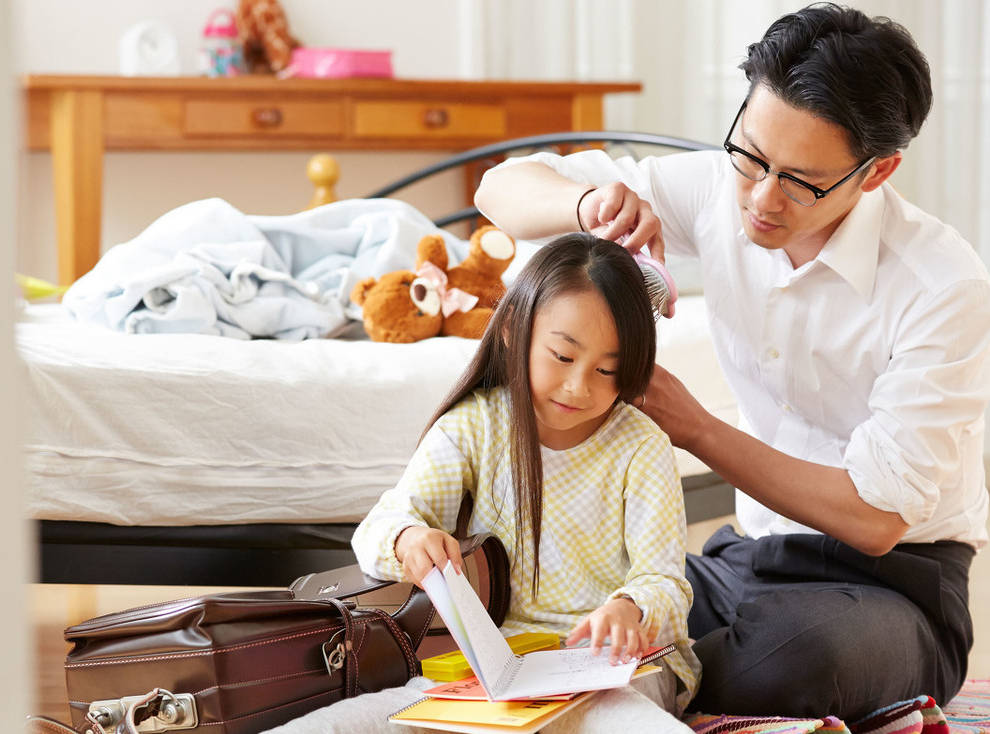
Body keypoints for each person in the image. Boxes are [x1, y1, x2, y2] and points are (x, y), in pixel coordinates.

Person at [473, 1, 990, 723]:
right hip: (748, 560)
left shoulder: (942, 284)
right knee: (558, 597)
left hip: (896, 588)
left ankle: (628, 676)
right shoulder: (723, 189)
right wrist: (591, 204)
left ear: (877, 173)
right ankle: (632, 670)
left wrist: (698, 430)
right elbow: (499, 188)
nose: (761, 198)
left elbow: (877, 519)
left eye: (802, 180)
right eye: (750, 156)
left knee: (799, 658)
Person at [349, 234, 701, 729]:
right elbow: (377, 529)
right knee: (368, 721)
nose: (580, 386)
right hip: (492, 670)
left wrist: (629, 610)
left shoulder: (640, 446)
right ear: (515, 329)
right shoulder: (475, 426)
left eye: (607, 370)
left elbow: (665, 582)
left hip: (616, 670)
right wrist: (408, 538)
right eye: (562, 356)